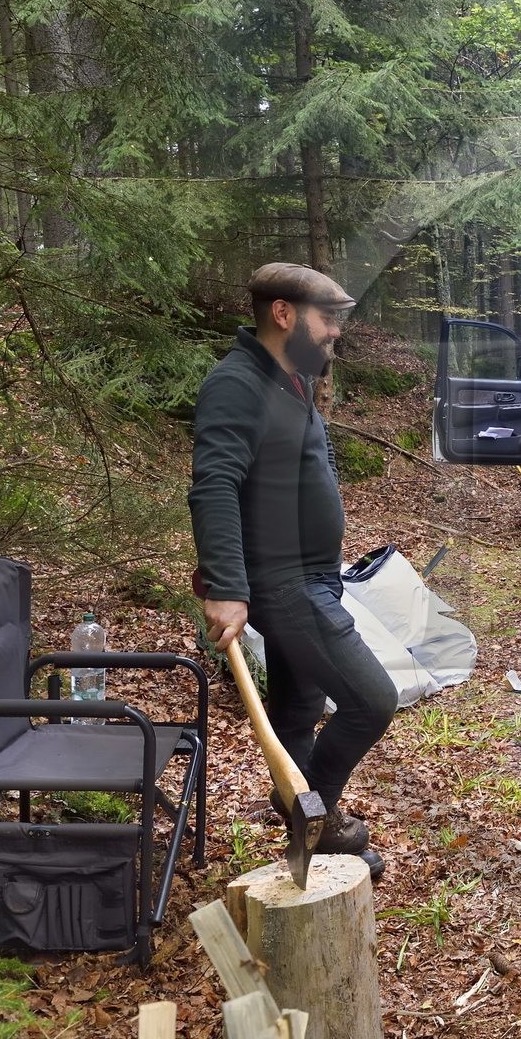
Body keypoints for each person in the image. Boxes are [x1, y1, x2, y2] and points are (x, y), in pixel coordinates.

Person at [188, 262, 398, 866]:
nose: (336, 331)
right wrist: (227, 585)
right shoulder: (237, 384)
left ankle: (307, 826)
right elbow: (215, 484)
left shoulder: (290, 381)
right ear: (283, 314)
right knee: (372, 700)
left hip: (313, 578)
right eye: (326, 318)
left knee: (300, 710)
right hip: (285, 585)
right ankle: (314, 816)